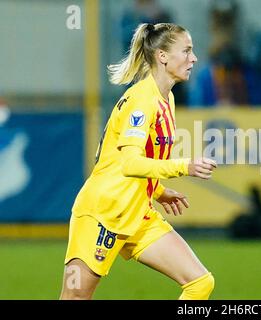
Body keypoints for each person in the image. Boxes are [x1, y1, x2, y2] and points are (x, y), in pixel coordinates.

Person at [60, 23, 217, 300]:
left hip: (138, 214)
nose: (193, 58)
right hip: (103, 213)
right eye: (187, 50)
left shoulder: (166, 97)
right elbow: (130, 164)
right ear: (163, 56)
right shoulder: (142, 100)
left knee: (200, 282)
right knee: (74, 298)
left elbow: (135, 158)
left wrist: (157, 191)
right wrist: (185, 166)